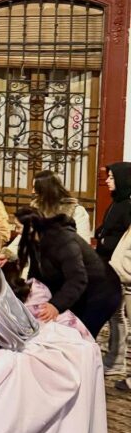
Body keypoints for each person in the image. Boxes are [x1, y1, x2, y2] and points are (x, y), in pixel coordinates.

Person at [15, 207, 121, 339]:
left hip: (101, 292)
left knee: (81, 337)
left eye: (18, 227)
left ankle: (90, 358)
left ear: (30, 226)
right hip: (78, 292)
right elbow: (37, 272)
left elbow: (77, 278)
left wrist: (56, 305)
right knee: (65, 333)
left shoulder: (63, 240)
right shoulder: (34, 241)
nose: (15, 231)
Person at [94, 163, 131, 380]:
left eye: (111, 177)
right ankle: (114, 358)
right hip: (107, 266)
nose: (107, 181)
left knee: (116, 314)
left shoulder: (127, 205)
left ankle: (116, 360)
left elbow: (126, 238)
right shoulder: (117, 202)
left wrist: (106, 240)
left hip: (117, 267)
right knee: (114, 313)